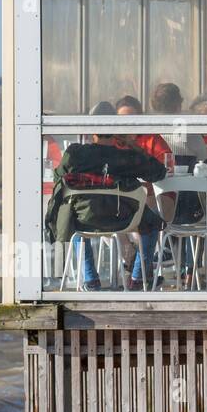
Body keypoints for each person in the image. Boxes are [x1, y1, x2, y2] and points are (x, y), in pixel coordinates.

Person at [45, 101, 164, 291]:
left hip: (85, 219)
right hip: (123, 218)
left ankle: (90, 279)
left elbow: (59, 178)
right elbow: (159, 172)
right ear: (116, 128)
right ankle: (138, 278)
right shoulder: (126, 157)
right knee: (153, 224)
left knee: (71, 218)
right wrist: (132, 145)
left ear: (92, 129)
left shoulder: (75, 154)